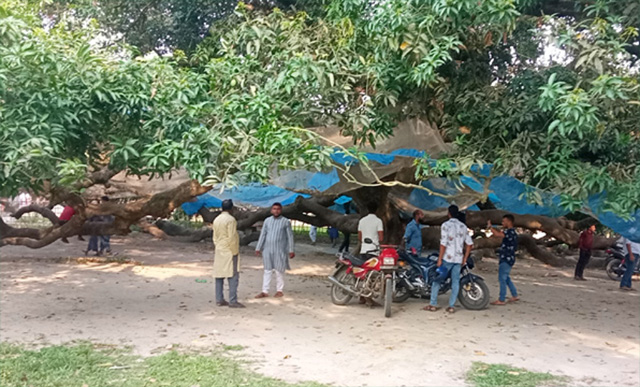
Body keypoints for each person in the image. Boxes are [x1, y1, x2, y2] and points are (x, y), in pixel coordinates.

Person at [424, 205, 473, 313]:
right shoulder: (463, 226)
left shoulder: (445, 225)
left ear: (449, 213)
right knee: (455, 282)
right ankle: (451, 306)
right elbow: (469, 244)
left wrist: (440, 259)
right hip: (458, 259)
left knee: (437, 280)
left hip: (447, 258)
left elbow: (443, 244)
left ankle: (433, 304)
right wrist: (465, 258)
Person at [255, 203, 295, 298]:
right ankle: (265, 291)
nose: (276, 211)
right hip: (267, 250)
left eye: (278, 209)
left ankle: (279, 290)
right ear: (271, 210)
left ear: (281, 210)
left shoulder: (285, 221)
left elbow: (290, 237)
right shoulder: (267, 221)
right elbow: (263, 235)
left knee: (279, 270)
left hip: (279, 250)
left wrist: (291, 249)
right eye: (274, 209)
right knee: (267, 270)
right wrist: (258, 247)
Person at [212, 199, 244, 308]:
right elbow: (232, 237)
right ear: (231, 208)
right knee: (233, 275)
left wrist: (218, 246)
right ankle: (232, 300)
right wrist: (235, 251)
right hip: (229, 250)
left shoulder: (216, 219)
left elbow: (215, 237)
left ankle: (219, 299)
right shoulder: (231, 220)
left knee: (219, 275)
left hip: (219, 248)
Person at [488, 214, 519, 305]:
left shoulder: (509, 232)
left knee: (502, 278)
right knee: (506, 278)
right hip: (510, 257)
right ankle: (514, 295)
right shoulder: (513, 232)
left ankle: (501, 299)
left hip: (506, 257)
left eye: (504, 221)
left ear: (509, 222)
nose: (502, 223)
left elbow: (498, 234)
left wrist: (490, 227)